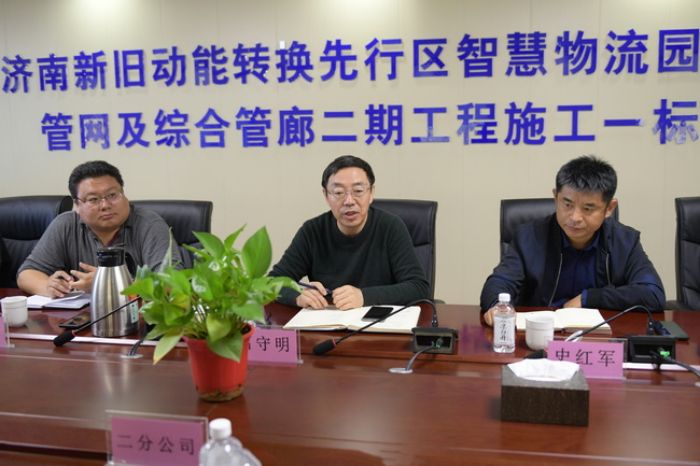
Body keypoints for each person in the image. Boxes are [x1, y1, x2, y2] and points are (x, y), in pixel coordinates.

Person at [480, 155, 665, 326]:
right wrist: (498, 307)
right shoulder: (528, 237)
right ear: (555, 198)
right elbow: (498, 283)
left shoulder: (625, 241)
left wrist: (589, 298)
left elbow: (653, 293)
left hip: (601, 339)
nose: (575, 217)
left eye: (588, 208)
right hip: (540, 336)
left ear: (609, 208)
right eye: (567, 204)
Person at [269, 155, 430, 310]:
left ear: (371, 193)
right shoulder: (312, 231)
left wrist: (364, 296)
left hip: (379, 322)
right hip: (328, 322)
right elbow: (271, 282)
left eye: (358, 190)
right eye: (338, 193)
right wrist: (298, 295)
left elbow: (418, 287)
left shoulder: (391, 227)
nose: (349, 201)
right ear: (326, 196)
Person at [17, 160, 181, 298]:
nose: (105, 205)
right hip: (82, 319)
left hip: (137, 318)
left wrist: (108, 284)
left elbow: (171, 282)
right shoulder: (65, 225)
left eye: (112, 195)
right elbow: (26, 274)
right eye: (93, 199)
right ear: (77, 205)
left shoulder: (149, 224)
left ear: (124, 194)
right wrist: (49, 287)